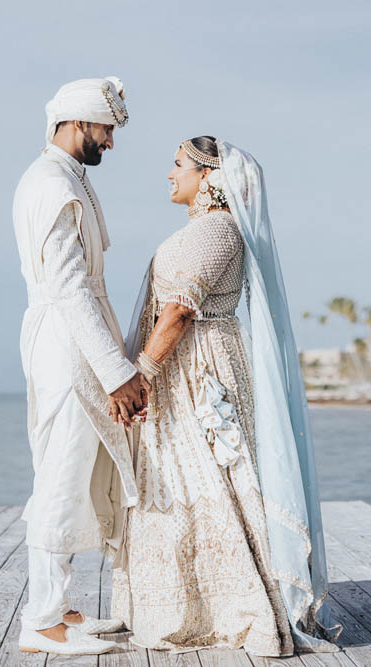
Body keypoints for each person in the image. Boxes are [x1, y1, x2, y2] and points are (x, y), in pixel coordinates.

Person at [111, 136, 342, 655]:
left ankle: (238, 605)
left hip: (200, 369)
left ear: (209, 177)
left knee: (211, 479)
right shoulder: (197, 230)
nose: (169, 175)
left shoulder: (217, 231)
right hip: (183, 365)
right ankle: (182, 604)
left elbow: (180, 310)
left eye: (177, 166)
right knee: (176, 479)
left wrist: (142, 373)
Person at [11, 76, 151, 656]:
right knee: (61, 477)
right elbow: (70, 289)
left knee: (71, 473)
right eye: (107, 129)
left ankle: (60, 608)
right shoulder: (51, 183)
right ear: (76, 122)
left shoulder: (68, 178)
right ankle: (41, 622)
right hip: (66, 343)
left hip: (76, 338)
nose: (111, 142)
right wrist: (118, 371)